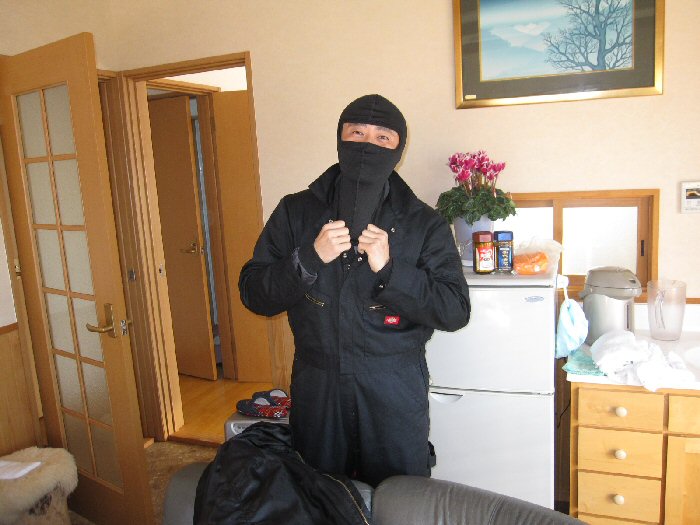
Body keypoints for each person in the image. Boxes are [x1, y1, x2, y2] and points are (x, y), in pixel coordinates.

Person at [239, 94, 470, 487]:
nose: (368, 145)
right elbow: (253, 293)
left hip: (394, 386)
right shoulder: (296, 211)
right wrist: (308, 259)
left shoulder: (423, 222)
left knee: (399, 494)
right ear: (339, 138)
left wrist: (392, 271)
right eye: (357, 133)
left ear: (398, 148)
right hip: (317, 385)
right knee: (321, 492)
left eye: (382, 138)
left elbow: (454, 309)